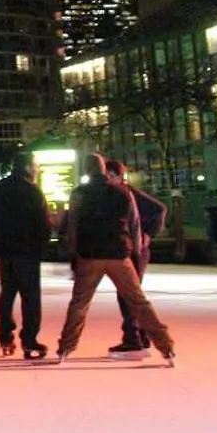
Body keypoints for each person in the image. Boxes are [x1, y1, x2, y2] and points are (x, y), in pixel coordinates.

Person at [54, 153, 176, 367]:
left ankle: (66, 347)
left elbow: (72, 226)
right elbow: (134, 223)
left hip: (90, 255)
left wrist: (73, 254)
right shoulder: (123, 192)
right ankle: (166, 347)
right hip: (119, 254)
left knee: (79, 304)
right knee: (139, 302)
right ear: (104, 169)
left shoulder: (80, 193)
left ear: (86, 170)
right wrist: (135, 251)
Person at [0, 156, 52, 359]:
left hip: (3, 248)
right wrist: (42, 243)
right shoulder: (32, 191)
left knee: (7, 293)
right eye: (35, 166)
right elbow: (43, 223)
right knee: (30, 297)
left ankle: (5, 335)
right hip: (27, 250)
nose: (37, 169)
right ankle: (29, 340)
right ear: (27, 167)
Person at [106, 159, 167, 359]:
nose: (107, 180)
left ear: (118, 176)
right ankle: (140, 337)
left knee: (129, 296)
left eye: (110, 176)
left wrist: (147, 234)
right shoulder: (118, 194)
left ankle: (134, 339)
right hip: (131, 249)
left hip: (136, 251)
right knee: (131, 295)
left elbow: (159, 209)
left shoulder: (128, 193)